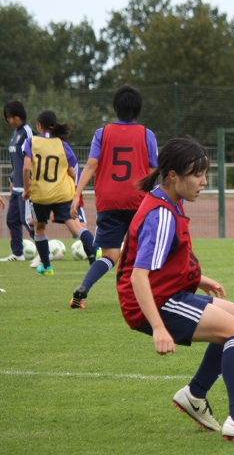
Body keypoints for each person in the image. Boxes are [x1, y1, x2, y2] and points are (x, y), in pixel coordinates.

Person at [116, 138, 234, 443]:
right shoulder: (162, 213)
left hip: (167, 293)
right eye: (197, 174)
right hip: (153, 303)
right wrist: (158, 328)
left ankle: (194, 395)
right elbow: (139, 276)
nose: (204, 181)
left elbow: (157, 257)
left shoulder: (168, 199)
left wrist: (197, 277)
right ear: (173, 176)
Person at [70, 85, 158, 309]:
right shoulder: (147, 134)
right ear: (138, 109)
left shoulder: (102, 133)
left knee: (109, 255)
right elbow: (152, 171)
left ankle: (84, 288)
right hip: (139, 201)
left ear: (116, 108)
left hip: (109, 202)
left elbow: (91, 165)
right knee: (146, 250)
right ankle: (151, 296)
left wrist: (76, 195)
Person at [22, 110, 96, 275]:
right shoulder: (62, 144)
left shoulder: (31, 142)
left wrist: (27, 189)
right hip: (62, 193)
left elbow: (26, 167)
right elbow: (72, 171)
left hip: (40, 194)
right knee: (75, 225)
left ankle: (47, 267)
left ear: (39, 125)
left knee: (40, 227)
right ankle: (95, 249)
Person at [1, 101, 35, 261]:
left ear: (21, 115)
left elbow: (33, 159)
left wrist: (30, 183)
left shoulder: (28, 132)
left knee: (27, 220)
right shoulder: (15, 134)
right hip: (16, 186)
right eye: (8, 117)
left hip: (27, 186)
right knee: (12, 219)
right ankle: (18, 253)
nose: (11, 120)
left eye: (13, 116)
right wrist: (12, 179)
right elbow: (17, 161)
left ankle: (44, 252)